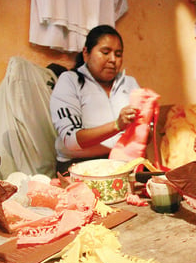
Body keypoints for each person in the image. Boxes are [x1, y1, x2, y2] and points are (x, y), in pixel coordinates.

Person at [50, 25, 140, 174]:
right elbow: (71, 140)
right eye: (105, 52)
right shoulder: (70, 82)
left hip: (124, 165)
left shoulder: (129, 83)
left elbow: (143, 133)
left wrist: (146, 126)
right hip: (79, 167)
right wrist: (117, 125)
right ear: (86, 53)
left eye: (118, 54)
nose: (113, 60)